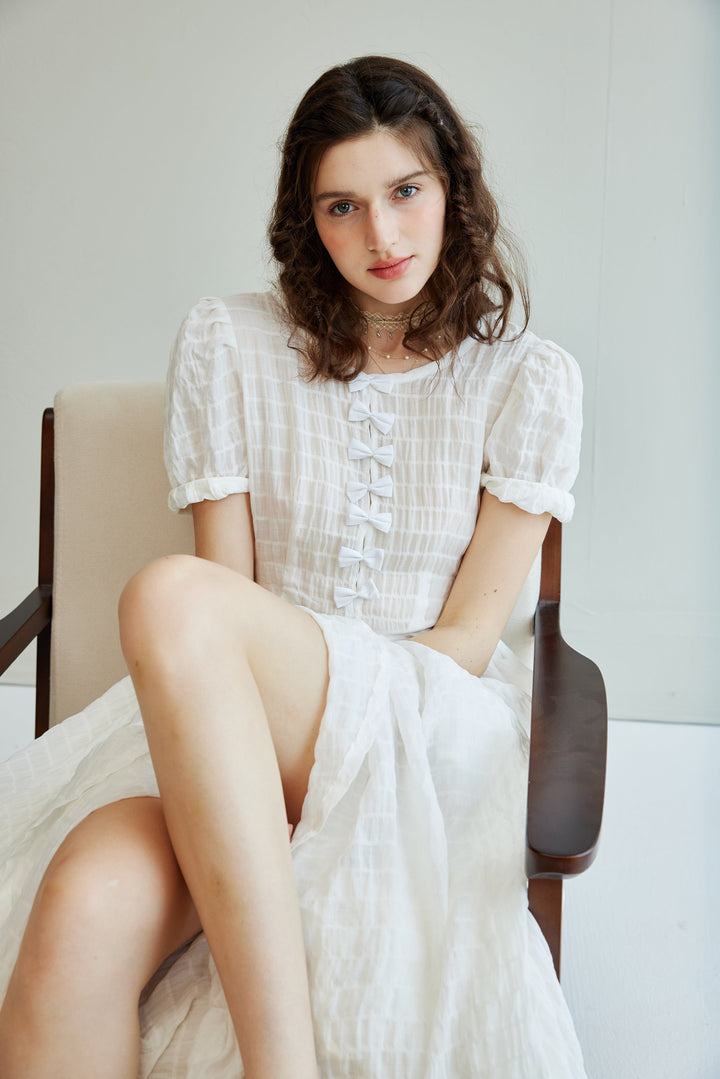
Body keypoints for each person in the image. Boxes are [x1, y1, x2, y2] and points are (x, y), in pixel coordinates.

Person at [0, 55, 586, 1078]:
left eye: (406, 191)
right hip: (224, 713)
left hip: (423, 717)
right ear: (307, 221)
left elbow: (465, 638)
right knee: (82, 903)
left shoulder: (527, 378)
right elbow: (227, 593)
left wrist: (324, 744)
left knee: (168, 595)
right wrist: (249, 767)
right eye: (342, 207)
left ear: (453, 187)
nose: (382, 236)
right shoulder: (229, 342)